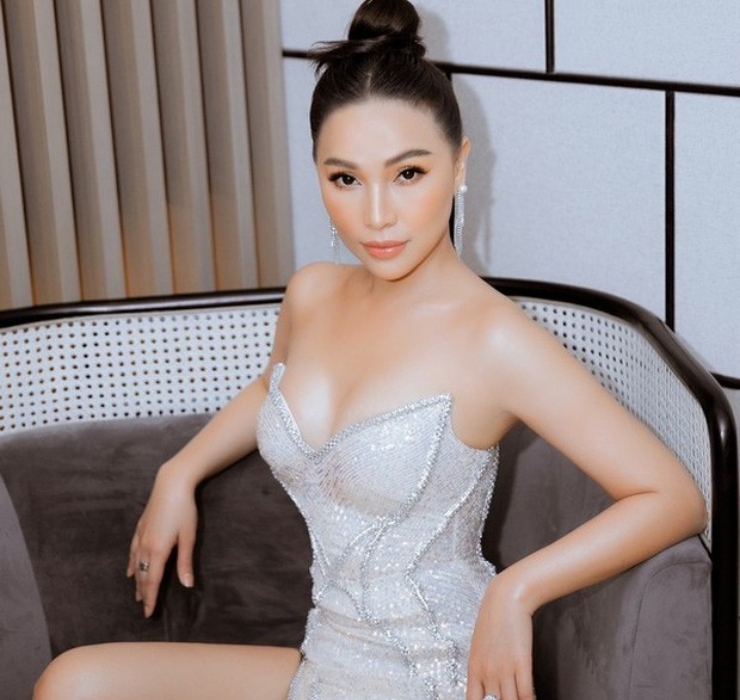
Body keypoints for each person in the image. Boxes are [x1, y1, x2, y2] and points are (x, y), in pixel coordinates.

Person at [32, 1, 707, 699]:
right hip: (326, 660)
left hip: (437, 671)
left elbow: (672, 497)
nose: (377, 215)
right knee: (74, 683)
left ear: (459, 165)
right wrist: (180, 470)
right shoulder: (313, 293)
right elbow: (274, 388)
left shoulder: (496, 339)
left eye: (408, 173)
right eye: (346, 179)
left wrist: (516, 590)